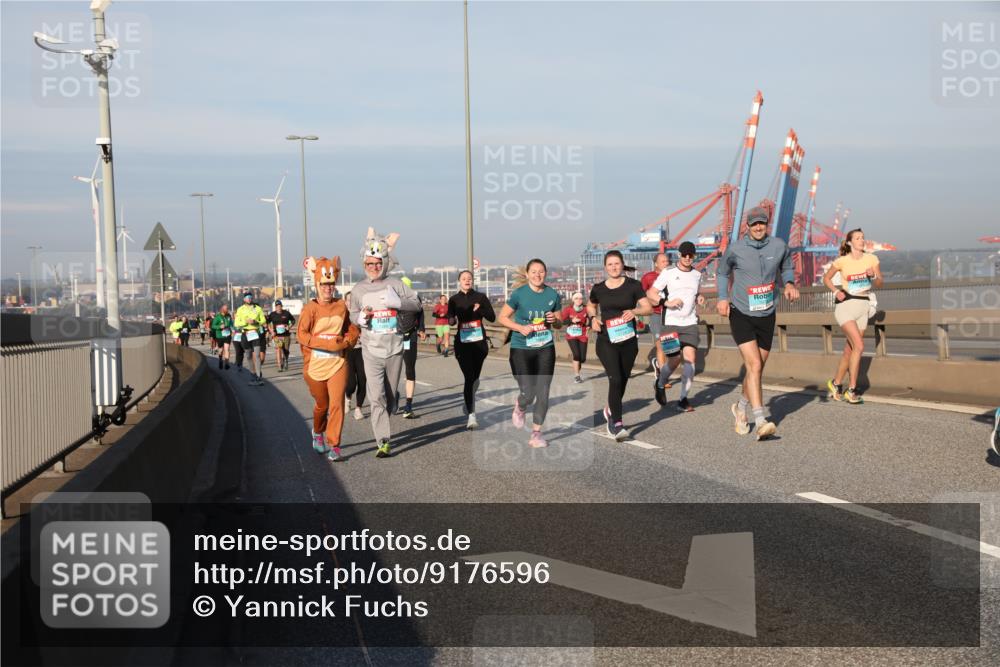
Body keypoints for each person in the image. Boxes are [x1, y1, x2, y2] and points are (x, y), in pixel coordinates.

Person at [716, 206, 799, 440]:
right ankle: (761, 419)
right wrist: (723, 298)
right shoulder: (735, 249)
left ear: (766, 224)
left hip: (767, 313)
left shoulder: (779, 246)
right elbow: (722, 273)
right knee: (754, 366)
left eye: (762, 223)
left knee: (757, 367)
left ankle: (740, 408)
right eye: (754, 224)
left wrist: (790, 283)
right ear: (748, 227)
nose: (759, 227)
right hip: (741, 312)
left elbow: (787, 266)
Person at [348, 227, 422, 458]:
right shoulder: (359, 289)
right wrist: (359, 318)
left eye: (378, 262)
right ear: (364, 264)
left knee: (389, 398)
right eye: (370, 263)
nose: (374, 267)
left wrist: (398, 302)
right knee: (376, 396)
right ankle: (383, 441)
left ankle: (394, 400)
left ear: (385, 262)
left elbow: (417, 304)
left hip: (394, 348)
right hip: (370, 349)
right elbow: (352, 312)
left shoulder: (396, 283)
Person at [297, 256, 360, 462]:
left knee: (336, 404)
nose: (328, 288)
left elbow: (350, 328)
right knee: (322, 406)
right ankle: (317, 431)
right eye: (324, 284)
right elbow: (302, 335)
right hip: (314, 364)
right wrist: (327, 344)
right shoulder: (310, 309)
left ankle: (335, 444)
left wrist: (349, 340)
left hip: (337, 363)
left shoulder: (341, 306)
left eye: (331, 284)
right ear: (317, 284)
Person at [588, 250, 653, 441]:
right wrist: (592, 318)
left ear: (623, 265)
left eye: (617, 264)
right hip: (606, 340)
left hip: (628, 341)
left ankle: (610, 408)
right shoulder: (599, 288)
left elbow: (648, 307)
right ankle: (617, 424)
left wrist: (634, 311)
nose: (614, 267)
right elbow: (591, 305)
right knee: (615, 378)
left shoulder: (633, 285)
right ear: (605, 267)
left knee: (623, 379)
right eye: (610, 264)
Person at [498, 258, 562, 448]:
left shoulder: (553, 294)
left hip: (545, 347)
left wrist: (554, 320)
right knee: (528, 391)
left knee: (543, 392)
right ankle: (521, 405)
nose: (537, 275)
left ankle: (536, 434)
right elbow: (502, 317)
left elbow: (559, 322)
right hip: (521, 348)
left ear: (546, 273)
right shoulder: (519, 294)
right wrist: (519, 327)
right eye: (533, 271)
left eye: (541, 271)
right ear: (527, 274)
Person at [823, 229, 883, 405]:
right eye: (857, 238)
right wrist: (836, 291)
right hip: (846, 307)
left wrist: (874, 276)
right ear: (849, 242)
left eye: (863, 237)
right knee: (859, 345)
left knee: (850, 351)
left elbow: (880, 282)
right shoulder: (842, 261)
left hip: (863, 306)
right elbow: (826, 279)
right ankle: (852, 390)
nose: (862, 240)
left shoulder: (871, 259)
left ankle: (835, 383)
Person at [647, 241, 704, 412]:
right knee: (674, 359)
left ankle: (683, 399)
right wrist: (667, 302)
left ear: (694, 256)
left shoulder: (697, 274)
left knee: (690, 360)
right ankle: (661, 382)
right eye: (684, 254)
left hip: (690, 323)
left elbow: (695, 292)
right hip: (671, 323)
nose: (687, 258)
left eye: (691, 255)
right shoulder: (668, 272)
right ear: (679, 255)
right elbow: (651, 294)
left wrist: (700, 297)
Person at [449, 269, 496, 430]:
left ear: (472, 281)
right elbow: (450, 319)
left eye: (469, 278)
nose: (467, 280)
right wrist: (451, 319)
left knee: (474, 379)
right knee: (469, 377)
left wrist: (480, 309)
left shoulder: (481, 297)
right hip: (462, 344)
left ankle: (471, 392)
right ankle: (471, 415)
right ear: (459, 281)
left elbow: (492, 317)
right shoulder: (454, 300)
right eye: (464, 278)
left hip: (479, 344)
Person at [397, 277, 426, 419]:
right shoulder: (392, 300)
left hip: (410, 336)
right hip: (394, 338)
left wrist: (421, 329)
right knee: (392, 370)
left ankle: (408, 406)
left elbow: (421, 315)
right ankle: (393, 396)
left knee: (409, 369)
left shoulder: (415, 299)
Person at [641, 253, 671, 375]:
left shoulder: (673, 276)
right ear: (656, 264)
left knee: (670, 346)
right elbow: (640, 295)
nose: (666, 263)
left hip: (671, 315)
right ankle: (663, 375)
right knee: (660, 345)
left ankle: (659, 364)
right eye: (663, 261)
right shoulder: (648, 277)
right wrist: (649, 302)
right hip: (656, 314)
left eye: (667, 261)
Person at [343, 291, 367, 421]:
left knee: (363, 380)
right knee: (351, 383)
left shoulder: (361, 315)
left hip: (362, 350)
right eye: (348, 300)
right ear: (345, 302)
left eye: (353, 300)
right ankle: (347, 398)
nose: (350, 302)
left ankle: (358, 408)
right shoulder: (342, 316)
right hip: (348, 351)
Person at [235, 291, 267, 386]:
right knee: (248, 356)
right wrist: (246, 322)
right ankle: (252, 375)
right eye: (247, 297)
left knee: (257, 356)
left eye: (250, 297)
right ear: (244, 299)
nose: (249, 299)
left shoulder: (258, 309)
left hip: (255, 333)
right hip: (245, 334)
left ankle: (258, 377)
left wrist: (255, 321)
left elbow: (263, 320)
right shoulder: (240, 309)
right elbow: (236, 323)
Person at [561, 292, 590, 383]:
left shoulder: (586, 309)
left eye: (580, 298)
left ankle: (576, 363)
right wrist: (571, 320)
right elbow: (562, 321)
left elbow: (590, 320)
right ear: (573, 300)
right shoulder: (568, 309)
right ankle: (577, 376)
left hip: (582, 335)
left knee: (582, 358)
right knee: (577, 355)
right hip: (571, 335)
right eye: (576, 298)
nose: (579, 300)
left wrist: (589, 326)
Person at [267, 299, 296, 372]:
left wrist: (289, 326)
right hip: (276, 335)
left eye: (279, 306)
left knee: (285, 350)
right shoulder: (272, 314)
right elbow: (267, 323)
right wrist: (271, 331)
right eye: (277, 306)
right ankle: (280, 366)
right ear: (275, 307)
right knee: (278, 349)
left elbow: (293, 320)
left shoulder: (286, 313)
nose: (278, 307)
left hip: (286, 335)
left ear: (281, 306)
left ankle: (285, 360)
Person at [210, 304, 234, 370]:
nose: (227, 310)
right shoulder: (217, 317)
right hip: (220, 335)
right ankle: (220, 359)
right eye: (226, 309)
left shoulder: (229, 316)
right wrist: (219, 327)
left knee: (227, 349)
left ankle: (227, 363)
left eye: (227, 308)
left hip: (227, 334)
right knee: (221, 349)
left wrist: (233, 329)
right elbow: (213, 326)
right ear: (222, 309)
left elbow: (231, 324)